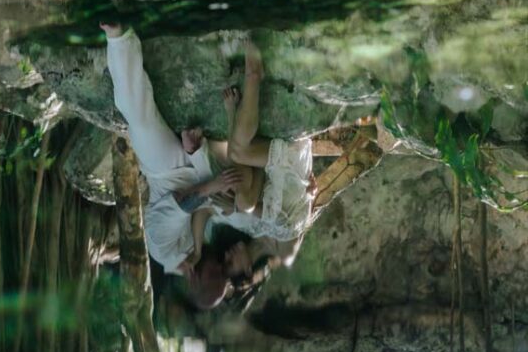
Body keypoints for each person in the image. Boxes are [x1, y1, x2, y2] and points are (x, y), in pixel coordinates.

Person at [101, 23, 243, 275]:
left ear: (195, 277)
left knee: (139, 119)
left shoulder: (161, 250)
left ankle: (119, 38)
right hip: (202, 171)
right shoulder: (201, 248)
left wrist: (212, 186)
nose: (222, 262)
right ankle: (195, 147)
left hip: (165, 171)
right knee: (232, 194)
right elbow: (210, 207)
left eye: (217, 269)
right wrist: (198, 157)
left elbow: (180, 201)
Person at [215, 42, 382, 245]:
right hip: (291, 166)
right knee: (237, 157)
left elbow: (303, 193)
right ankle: (252, 78)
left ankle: (248, 84)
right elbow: (250, 203)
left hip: (293, 168)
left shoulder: (288, 218)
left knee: (240, 166)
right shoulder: (275, 220)